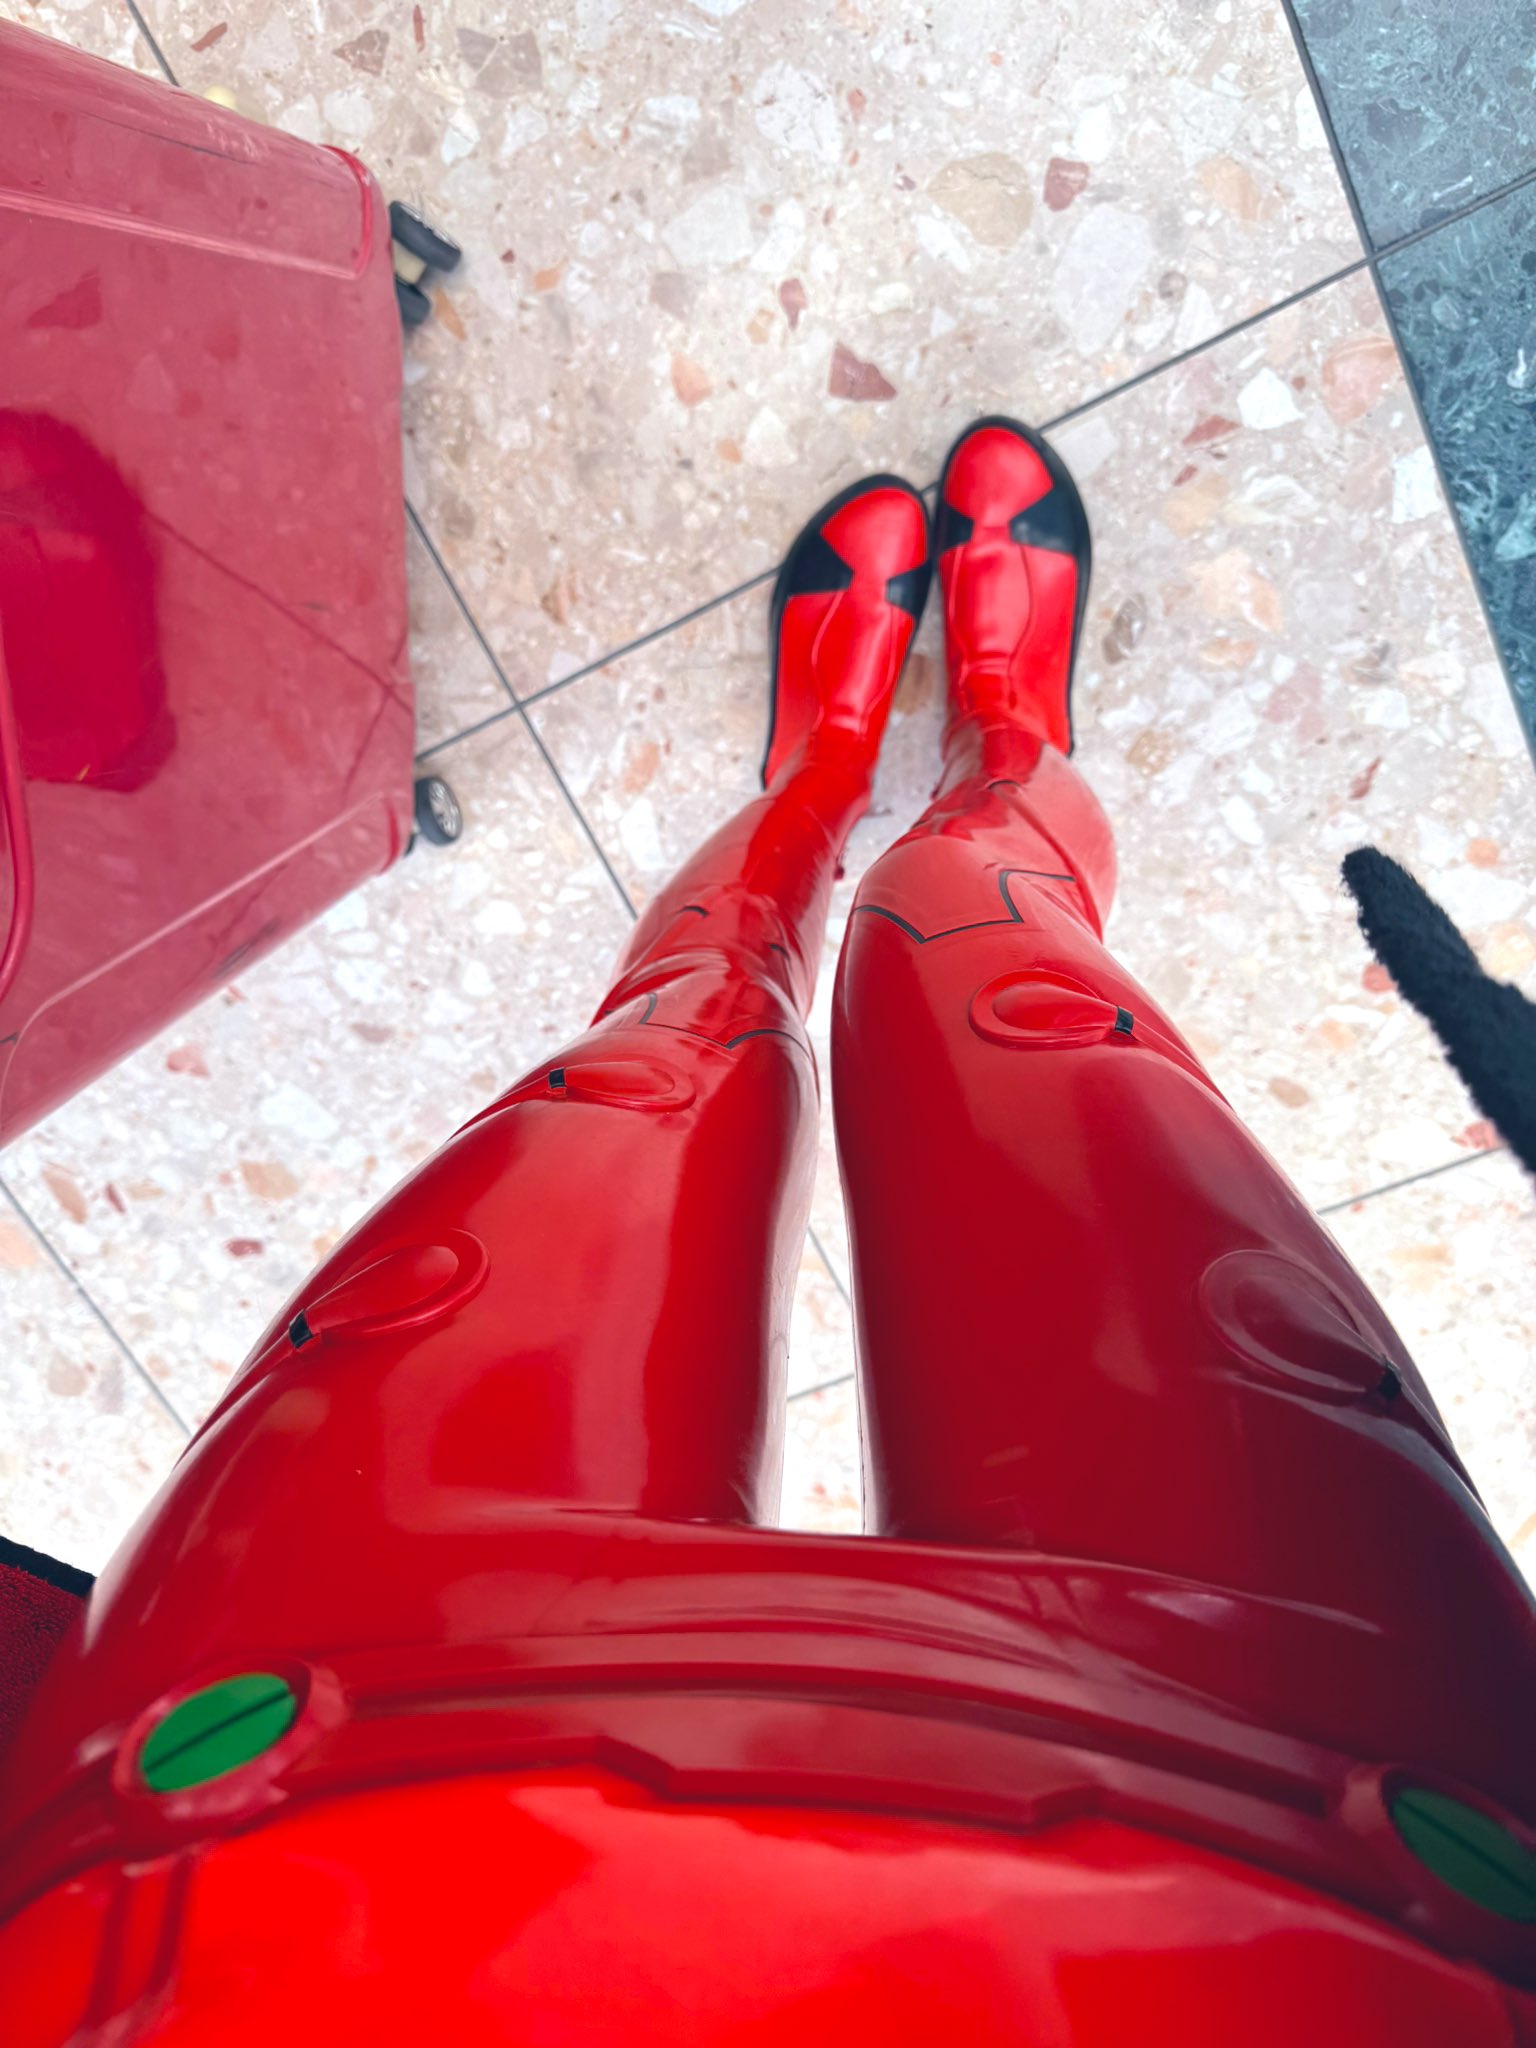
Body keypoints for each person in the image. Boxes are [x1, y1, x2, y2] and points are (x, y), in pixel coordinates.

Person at [1, 420, 1532, 2045]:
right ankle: (969, 755)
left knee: (678, 1031)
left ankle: (839, 770)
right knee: (990, 954)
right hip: (1366, 1816)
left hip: (248, 1815)